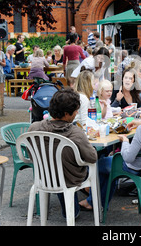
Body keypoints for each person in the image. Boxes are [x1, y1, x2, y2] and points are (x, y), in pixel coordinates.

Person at [27, 89, 98, 219]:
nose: (77, 113)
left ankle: (72, 211)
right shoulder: (76, 133)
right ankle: (92, 203)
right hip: (71, 178)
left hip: (45, 176)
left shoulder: (34, 128)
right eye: (76, 110)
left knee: (58, 163)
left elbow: (30, 154)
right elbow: (92, 158)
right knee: (100, 166)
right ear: (66, 114)